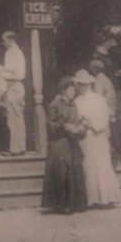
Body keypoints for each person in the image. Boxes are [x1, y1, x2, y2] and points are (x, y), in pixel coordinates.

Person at [73, 69, 121, 208]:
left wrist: (92, 124)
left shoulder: (99, 100)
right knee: (88, 166)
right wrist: (81, 125)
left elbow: (104, 119)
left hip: (98, 136)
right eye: (80, 84)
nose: (83, 87)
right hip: (85, 138)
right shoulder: (76, 101)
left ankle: (106, 198)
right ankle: (91, 199)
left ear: (90, 85)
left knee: (101, 165)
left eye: (85, 84)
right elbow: (76, 119)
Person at [41, 76, 87, 214]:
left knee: (74, 169)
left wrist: (80, 127)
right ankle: (61, 204)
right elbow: (50, 125)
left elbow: (76, 122)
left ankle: (74, 204)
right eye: (71, 90)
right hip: (60, 142)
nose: (73, 92)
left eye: (74, 90)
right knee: (62, 171)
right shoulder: (55, 105)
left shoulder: (73, 105)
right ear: (63, 90)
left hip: (72, 142)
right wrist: (65, 127)